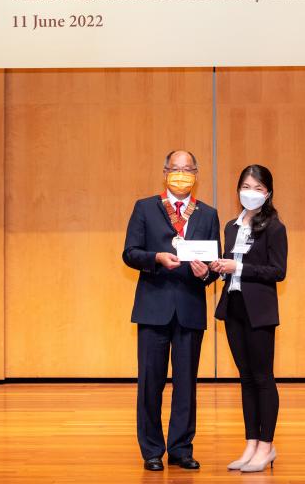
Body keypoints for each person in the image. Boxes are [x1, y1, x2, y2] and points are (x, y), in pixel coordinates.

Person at [122, 150, 221, 472]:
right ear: (165, 171)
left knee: (186, 384)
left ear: (196, 173)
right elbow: (130, 253)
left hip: (190, 308)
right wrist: (156, 258)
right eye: (175, 169)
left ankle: (181, 448)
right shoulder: (145, 208)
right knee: (150, 382)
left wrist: (205, 273)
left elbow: (214, 267)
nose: (181, 174)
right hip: (153, 308)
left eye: (187, 169)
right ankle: (151, 450)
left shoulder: (207, 213)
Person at [210, 164, 287, 473]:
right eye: (246, 186)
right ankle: (251, 443)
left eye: (257, 188)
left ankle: (267, 446)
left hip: (260, 310)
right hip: (234, 306)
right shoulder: (231, 225)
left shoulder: (274, 227)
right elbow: (230, 262)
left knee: (263, 378)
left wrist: (238, 269)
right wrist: (219, 267)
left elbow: (277, 271)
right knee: (245, 378)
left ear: (267, 193)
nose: (250, 193)